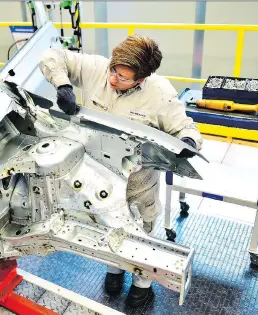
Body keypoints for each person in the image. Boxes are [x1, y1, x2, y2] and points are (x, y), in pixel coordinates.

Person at [39, 35, 202, 307]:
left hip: (138, 182)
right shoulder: (97, 69)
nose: (113, 80)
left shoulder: (159, 93)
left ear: (141, 79)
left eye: (123, 77)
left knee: (143, 231)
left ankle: (142, 284)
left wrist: (186, 144)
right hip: (99, 175)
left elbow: (187, 130)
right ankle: (114, 270)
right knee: (106, 223)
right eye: (114, 71)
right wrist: (63, 84)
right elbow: (51, 56)